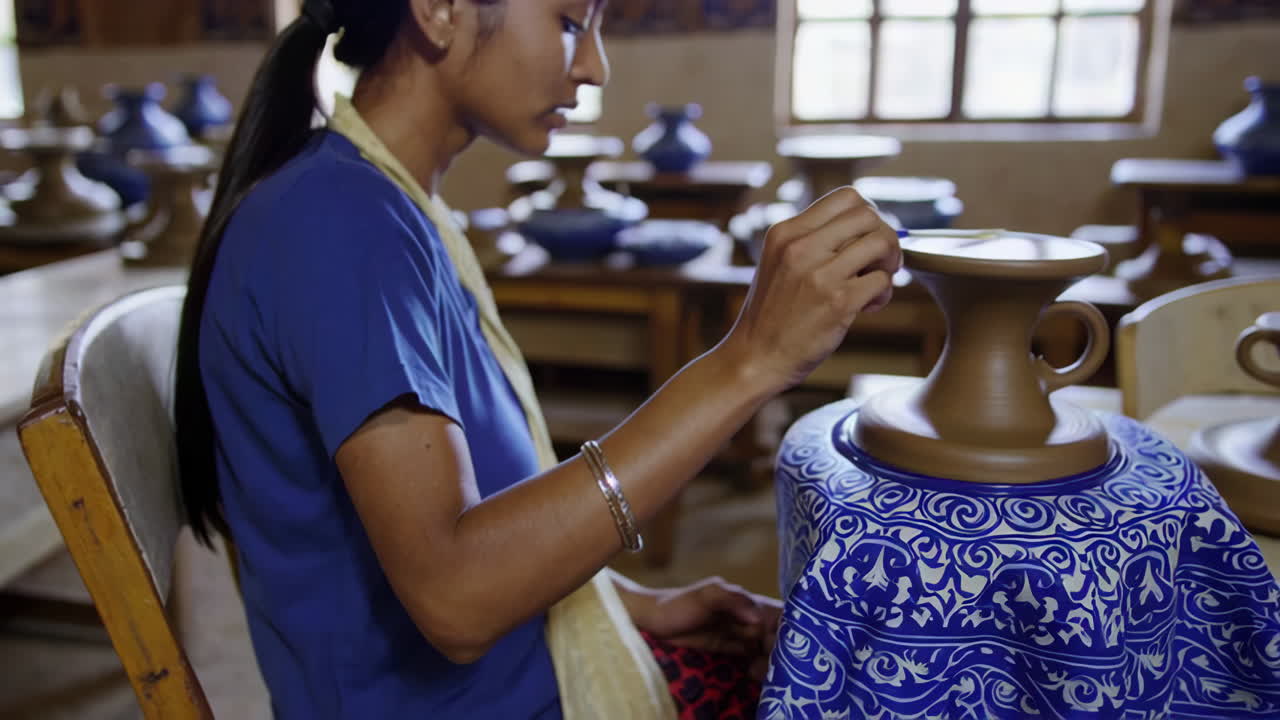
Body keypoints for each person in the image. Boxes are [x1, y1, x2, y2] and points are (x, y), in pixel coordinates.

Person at [173, 0, 901, 718]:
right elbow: (455, 598)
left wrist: (635, 605)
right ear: (439, 11)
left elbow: (466, 515)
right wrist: (749, 362)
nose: (593, 65)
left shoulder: (386, 209)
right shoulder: (337, 222)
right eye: (568, 22)